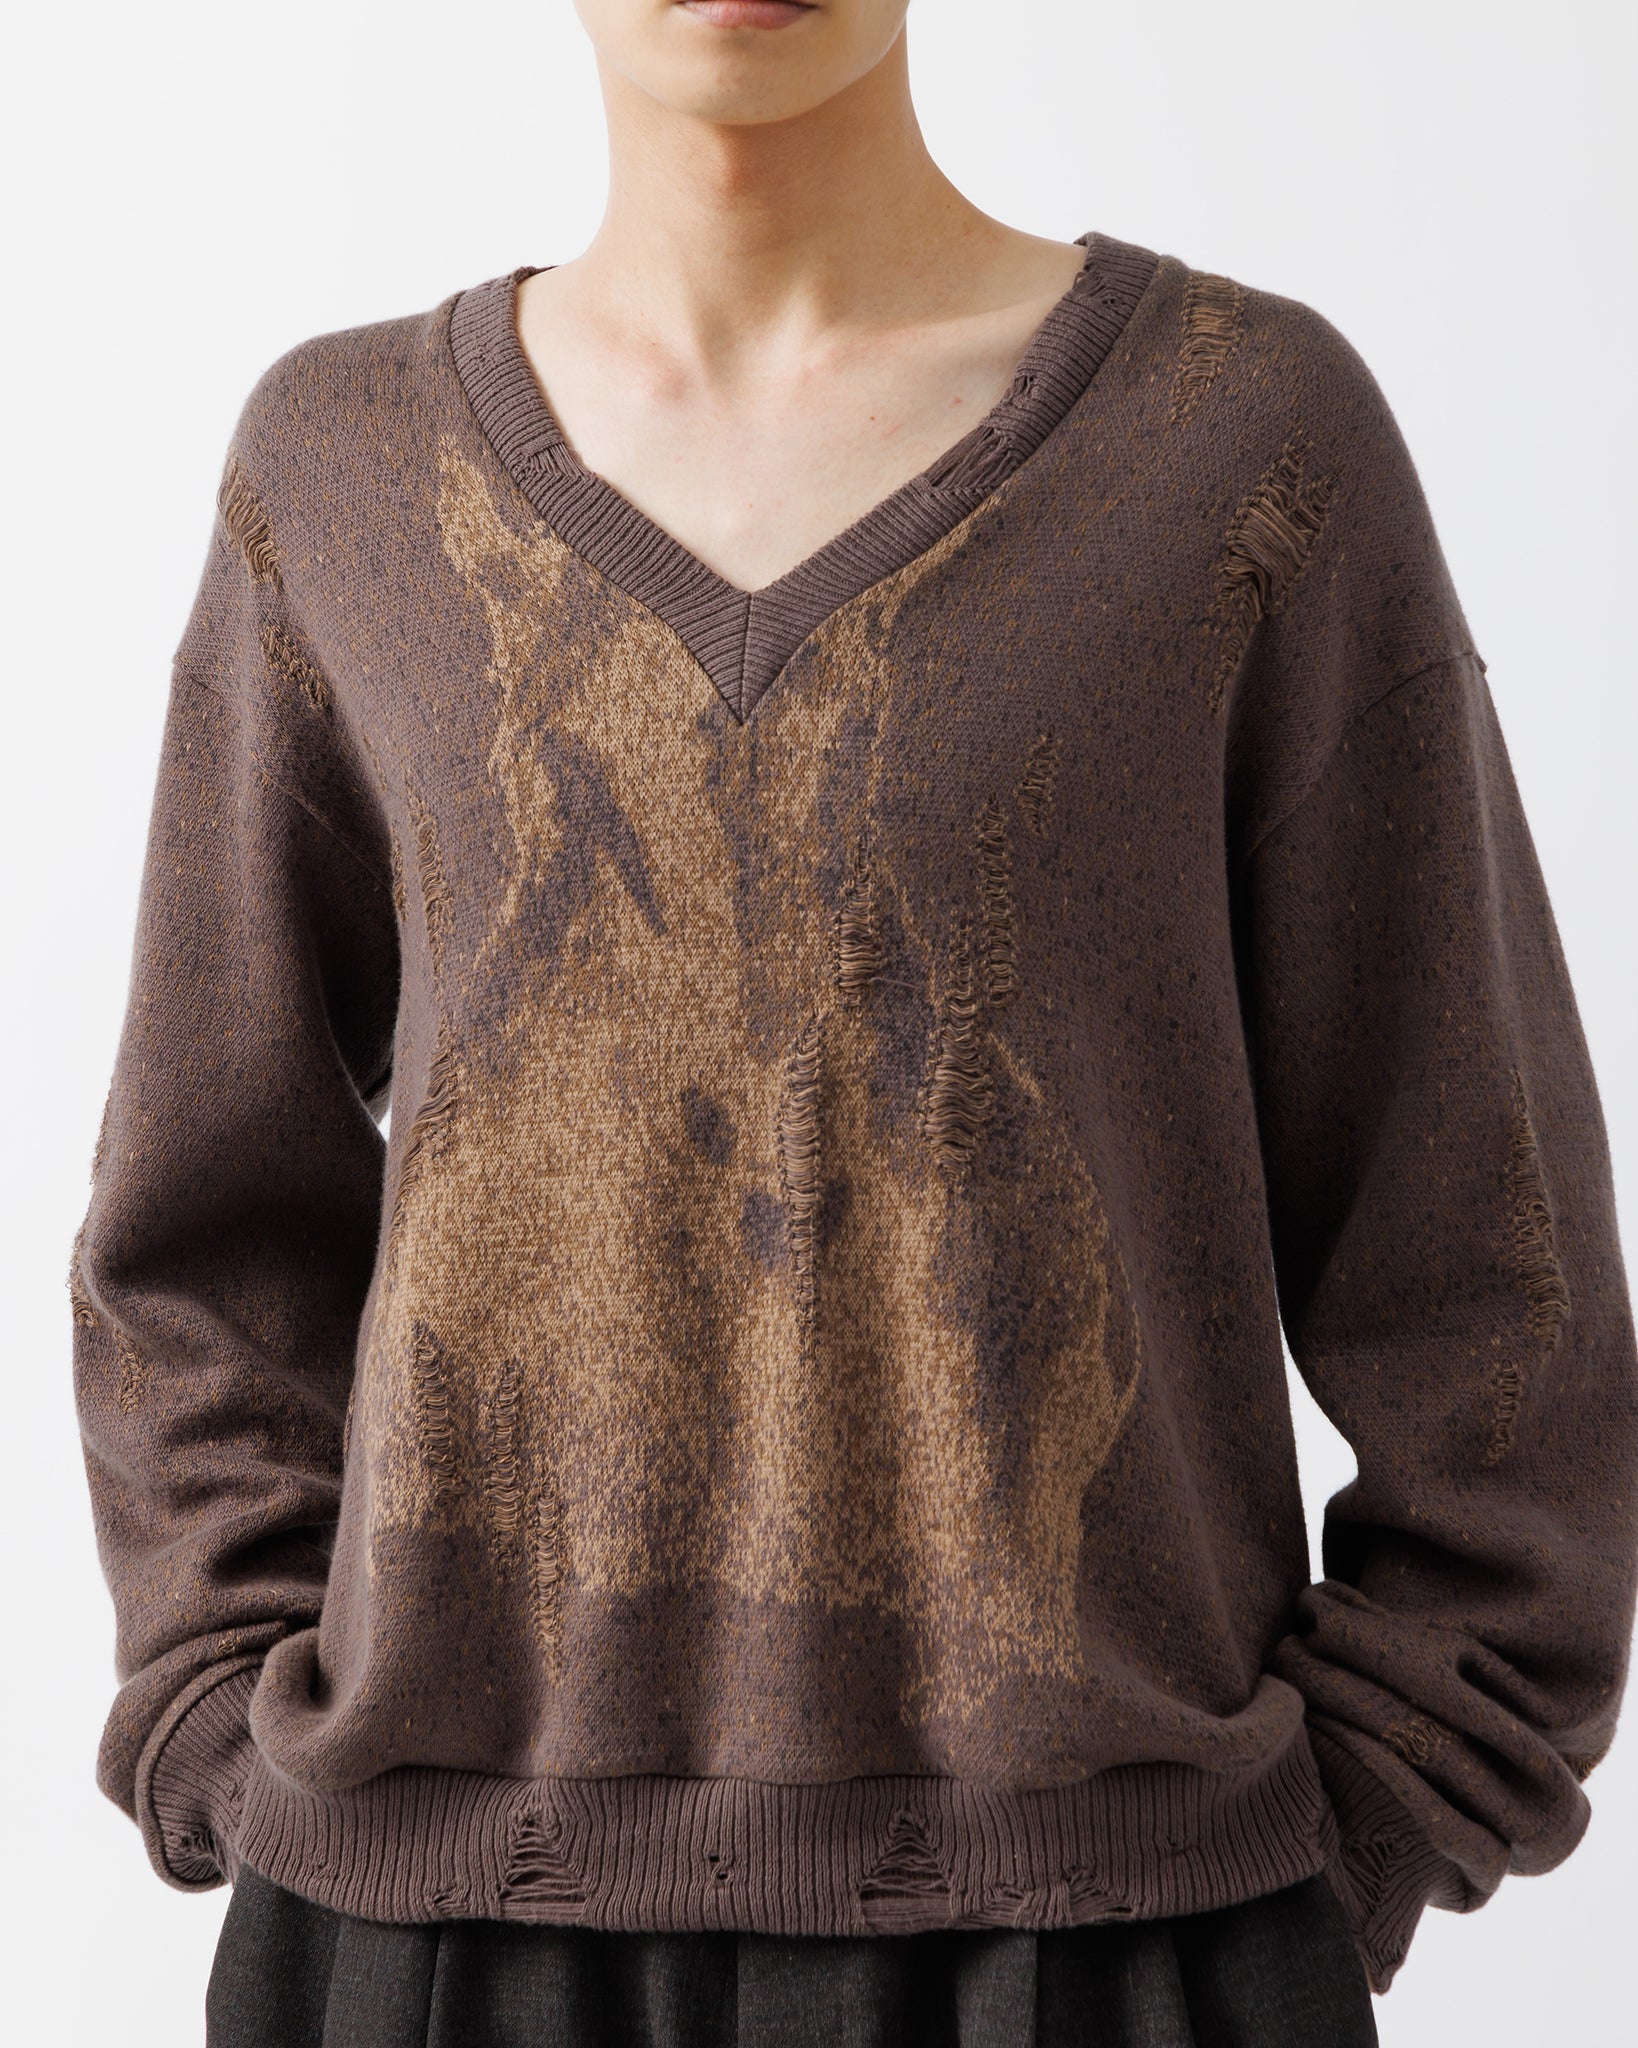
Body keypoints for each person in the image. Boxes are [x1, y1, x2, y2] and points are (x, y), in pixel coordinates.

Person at [68, 3, 1638, 2044]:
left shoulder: (1240, 442)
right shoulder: (344, 468)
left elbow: (1484, 1264)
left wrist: (1350, 1829)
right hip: (433, 1938)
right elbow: (195, 1226)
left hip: (1112, 1936)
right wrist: (223, 1724)